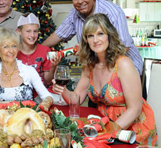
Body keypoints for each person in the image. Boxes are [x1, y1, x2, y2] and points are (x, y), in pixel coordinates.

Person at [53, 13, 157, 145]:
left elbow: (135, 109)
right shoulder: (89, 66)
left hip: (131, 131)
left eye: (100, 34)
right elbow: (77, 99)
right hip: (104, 126)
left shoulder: (123, 64)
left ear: (109, 35)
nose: (95, 40)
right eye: (90, 36)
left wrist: (108, 133)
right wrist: (62, 89)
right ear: (86, 40)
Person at [42, 0, 142, 77]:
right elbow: (58, 34)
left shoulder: (113, 12)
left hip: (128, 71)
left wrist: (87, 49)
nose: (80, 1)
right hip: (100, 71)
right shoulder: (74, 13)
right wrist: (38, 50)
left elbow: (124, 47)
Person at [0, 27, 53, 111]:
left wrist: (45, 104)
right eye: (6, 47)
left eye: (14, 46)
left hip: (26, 120)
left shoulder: (28, 71)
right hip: (2, 121)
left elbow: (48, 96)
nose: (11, 51)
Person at [16, 12, 61, 102]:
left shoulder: (45, 50)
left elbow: (48, 81)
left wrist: (53, 67)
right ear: (19, 31)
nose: (32, 35)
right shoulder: (14, 51)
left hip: (41, 95)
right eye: (28, 31)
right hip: (20, 95)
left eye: (35, 31)